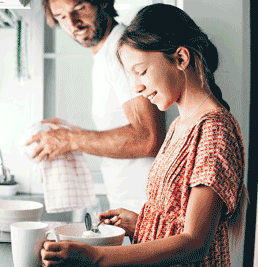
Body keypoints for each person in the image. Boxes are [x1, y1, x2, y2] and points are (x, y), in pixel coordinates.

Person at [40, 3, 246, 266]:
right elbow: (179, 225)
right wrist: (140, 224)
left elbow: (195, 243)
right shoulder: (179, 127)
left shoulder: (215, 131)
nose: (136, 87)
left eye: (141, 72)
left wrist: (96, 256)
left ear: (181, 58)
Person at [26, 0, 166, 214]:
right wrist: (74, 133)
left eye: (79, 8)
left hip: (148, 207)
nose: (73, 24)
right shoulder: (105, 54)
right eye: (61, 17)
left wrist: (71, 139)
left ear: (103, 2)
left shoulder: (122, 50)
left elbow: (148, 138)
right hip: (132, 207)